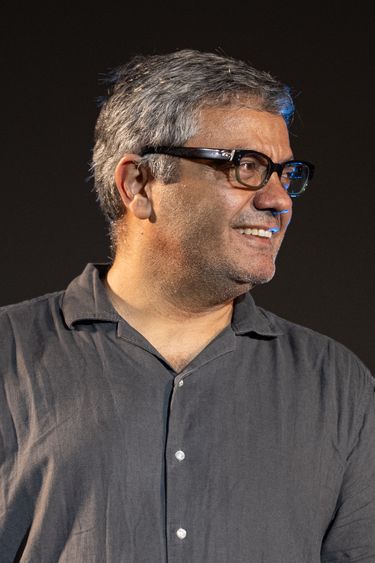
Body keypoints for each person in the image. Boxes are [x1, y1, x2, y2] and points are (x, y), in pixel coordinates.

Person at [0, 49, 374, 563]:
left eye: (286, 174)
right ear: (140, 185)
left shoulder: (340, 387)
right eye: (247, 167)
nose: (279, 200)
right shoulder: (8, 357)